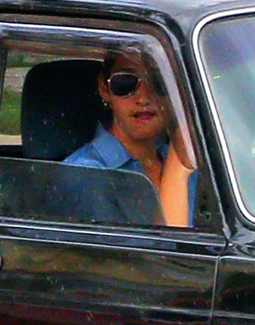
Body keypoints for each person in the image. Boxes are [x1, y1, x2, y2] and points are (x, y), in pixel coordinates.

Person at [64, 52, 195, 227]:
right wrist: (177, 170)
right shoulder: (85, 175)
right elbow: (160, 252)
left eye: (159, 81)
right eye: (125, 82)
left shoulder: (193, 162)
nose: (143, 98)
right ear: (104, 88)